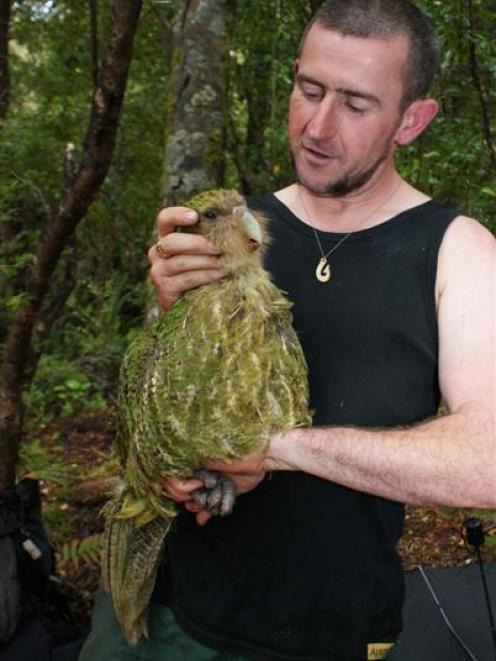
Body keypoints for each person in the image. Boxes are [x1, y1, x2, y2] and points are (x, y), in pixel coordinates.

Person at [79, 1, 495, 660]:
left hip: (324, 635)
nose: (318, 127)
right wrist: (170, 319)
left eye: (356, 105)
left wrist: (278, 449)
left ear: (412, 120)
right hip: (157, 609)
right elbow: (153, 410)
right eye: (309, 91)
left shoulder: (456, 252)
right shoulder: (231, 232)